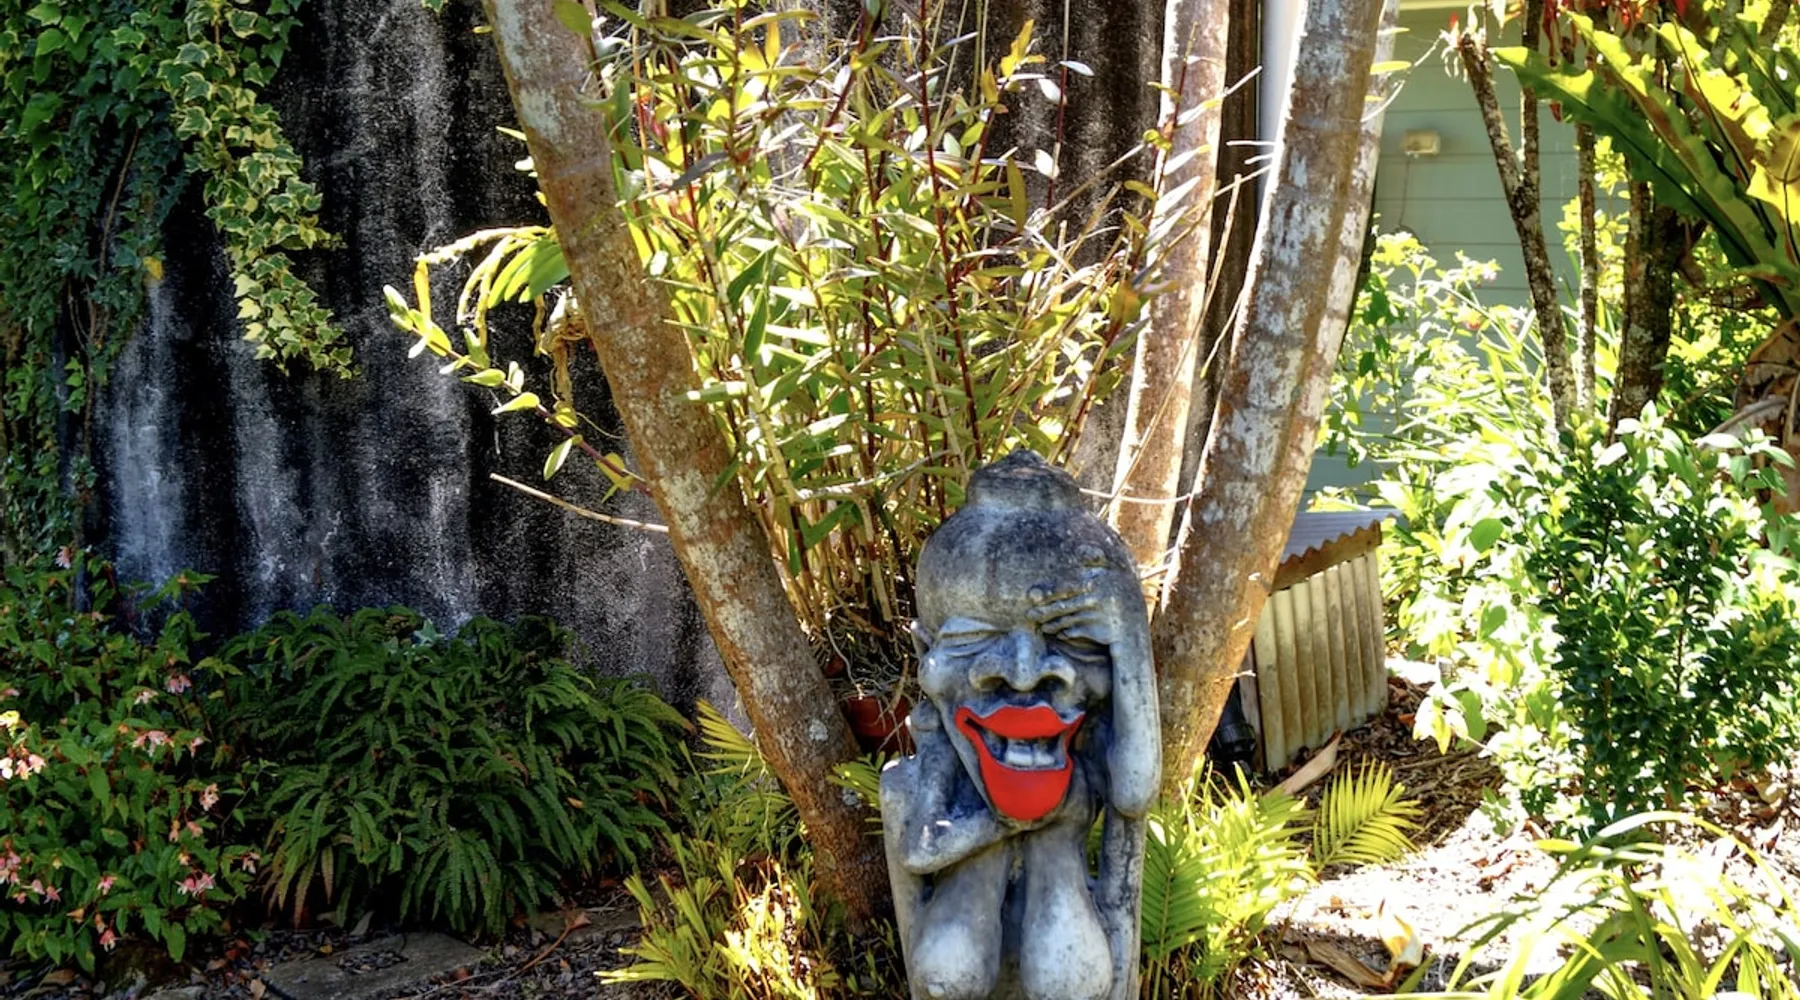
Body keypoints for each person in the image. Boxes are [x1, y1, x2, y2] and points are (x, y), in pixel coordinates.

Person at [880, 450, 1159, 1000]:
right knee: (950, 967)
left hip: (1071, 964)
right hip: (962, 954)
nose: (1026, 676)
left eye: (1073, 642)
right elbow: (917, 852)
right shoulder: (932, 765)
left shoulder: (1090, 762)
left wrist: (1131, 642)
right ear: (924, 654)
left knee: (1065, 976)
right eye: (973, 639)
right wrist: (1001, 824)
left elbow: (1135, 795)